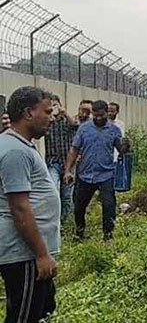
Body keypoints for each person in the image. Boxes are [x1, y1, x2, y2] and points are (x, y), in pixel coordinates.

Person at [0, 86, 59, 322]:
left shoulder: (18, 145)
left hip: (28, 252)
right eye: (47, 111)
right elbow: (20, 208)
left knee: (40, 310)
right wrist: (42, 254)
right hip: (23, 253)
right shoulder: (15, 152)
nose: (52, 117)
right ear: (28, 113)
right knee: (23, 317)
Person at [64, 100, 126, 241]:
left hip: (106, 174)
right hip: (85, 175)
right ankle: (79, 233)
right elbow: (74, 150)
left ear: (106, 113)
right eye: (95, 115)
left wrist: (125, 147)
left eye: (101, 115)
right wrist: (68, 170)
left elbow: (120, 150)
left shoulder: (114, 130)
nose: (98, 118)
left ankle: (108, 236)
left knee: (109, 205)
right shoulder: (84, 129)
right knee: (79, 207)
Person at [44, 95, 76, 223]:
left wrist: (64, 113)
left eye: (55, 105)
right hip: (53, 162)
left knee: (66, 195)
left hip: (67, 163)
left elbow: (75, 125)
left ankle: (64, 221)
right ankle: (54, 219)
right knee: (52, 189)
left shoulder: (66, 121)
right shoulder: (47, 122)